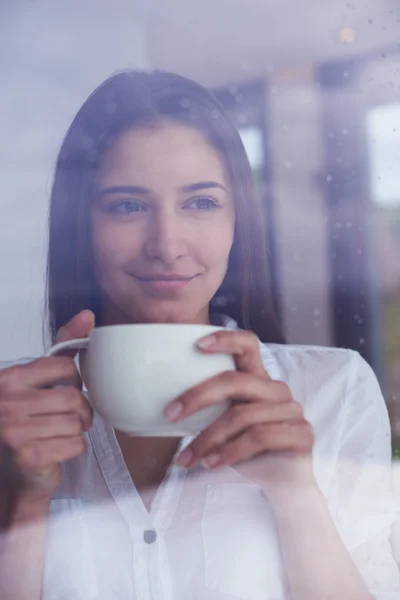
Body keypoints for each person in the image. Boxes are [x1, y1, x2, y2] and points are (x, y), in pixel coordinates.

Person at [0, 69, 399, 600]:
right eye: (128, 205)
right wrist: (21, 504)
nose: (167, 244)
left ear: (238, 221)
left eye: (201, 203)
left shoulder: (334, 388)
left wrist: (295, 493)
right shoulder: (15, 414)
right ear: (81, 225)